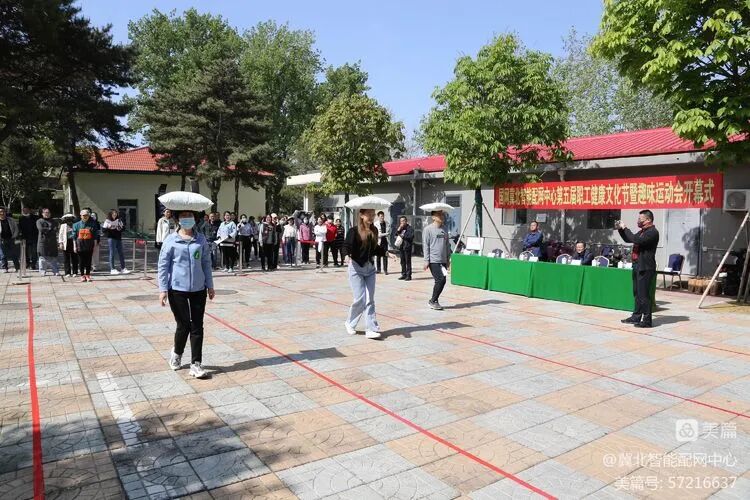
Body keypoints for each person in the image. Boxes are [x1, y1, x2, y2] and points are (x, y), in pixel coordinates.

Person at [158, 209, 214, 379]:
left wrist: (210, 285)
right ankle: (177, 353)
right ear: (177, 219)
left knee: (197, 325)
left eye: (190, 216)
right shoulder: (171, 240)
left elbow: (206, 263)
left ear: (195, 218)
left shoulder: (201, 239)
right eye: (183, 216)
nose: (187, 219)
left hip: (198, 289)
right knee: (183, 325)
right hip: (177, 290)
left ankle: (196, 364)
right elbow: (163, 266)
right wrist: (163, 289)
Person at [343, 208, 381, 339]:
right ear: (361, 215)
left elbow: (375, 248)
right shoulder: (354, 231)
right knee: (360, 299)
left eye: (373, 214)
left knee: (370, 299)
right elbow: (346, 245)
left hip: (370, 268)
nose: (371, 217)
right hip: (356, 268)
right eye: (368, 214)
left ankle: (371, 329)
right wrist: (346, 255)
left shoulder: (374, 230)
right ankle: (349, 323)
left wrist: (387, 253)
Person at [618, 210, 660, 328]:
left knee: (643, 295)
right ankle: (636, 317)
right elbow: (629, 239)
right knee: (637, 293)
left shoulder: (652, 232)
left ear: (648, 220)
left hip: (645, 267)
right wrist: (621, 230)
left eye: (640, 219)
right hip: (637, 265)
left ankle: (647, 320)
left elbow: (636, 240)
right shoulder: (642, 232)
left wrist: (625, 228)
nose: (638, 221)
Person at [423, 210, 451, 310]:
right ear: (433, 217)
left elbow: (447, 245)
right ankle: (433, 301)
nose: (441, 216)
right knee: (440, 279)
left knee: (443, 280)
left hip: (443, 260)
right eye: (439, 215)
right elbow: (426, 245)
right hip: (433, 260)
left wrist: (448, 259)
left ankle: (434, 300)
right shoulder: (428, 229)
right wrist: (426, 260)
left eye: (442, 214)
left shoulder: (444, 229)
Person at [72, 209, 98, 282]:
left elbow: (95, 236)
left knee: (88, 261)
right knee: (81, 261)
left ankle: (88, 275)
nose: (85, 216)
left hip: (89, 245)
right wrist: (74, 246)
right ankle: (82, 275)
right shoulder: (76, 225)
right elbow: (74, 237)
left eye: (87, 215)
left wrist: (95, 245)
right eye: (84, 215)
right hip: (80, 245)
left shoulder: (93, 224)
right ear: (81, 216)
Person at [102, 209, 130, 274]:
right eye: (113, 213)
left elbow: (123, 228)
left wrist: (120, 228)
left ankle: (123, 268)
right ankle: (112, 269)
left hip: (118, 238)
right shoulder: (107, 221)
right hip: (111, 238)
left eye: (115, 213)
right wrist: (109, 227)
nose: (115, 214)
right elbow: (103, 230)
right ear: (110, 214)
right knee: (112, 253)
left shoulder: (119, 220)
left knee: (121, 253)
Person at [36, 208, 59, 276]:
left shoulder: (54, 221)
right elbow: (41, 229)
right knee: (42, 257)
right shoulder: (39, 221)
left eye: (48, 212)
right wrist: (50, 229)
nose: (47, 214)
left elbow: (55, 229)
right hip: (43, 242)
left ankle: (55, 271)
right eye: (45, 212)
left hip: (52, 241)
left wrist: (47, 230)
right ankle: (42, 271)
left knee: (53, 257)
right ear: (42, 213)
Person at [0, 208, 20, 273]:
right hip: (1, 240)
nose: (2, 213)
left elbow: (16, 229)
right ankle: (4, 268)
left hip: (11, 239)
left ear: (5, 212)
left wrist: (14, 236)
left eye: (3, 211)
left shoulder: (11, 220)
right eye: (0, 212)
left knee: (14, 254)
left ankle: (17, 268)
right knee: (3, 255)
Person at [395, 216, 414, 280]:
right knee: (402, 261)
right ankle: (403, 274)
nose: (402, 222)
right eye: (401, 221)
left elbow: (410, 237)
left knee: (407, 262)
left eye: (403, 221)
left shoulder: (410, 228)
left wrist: (402, 236)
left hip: (407, 247)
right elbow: (395, 235)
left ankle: (409, 275)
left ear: (406, 221)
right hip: (401, 247)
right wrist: (399, 229)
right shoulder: (401, 228)